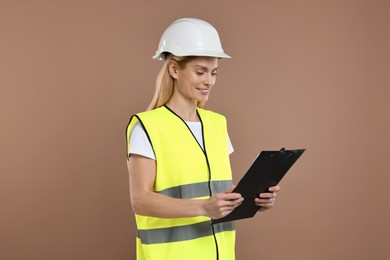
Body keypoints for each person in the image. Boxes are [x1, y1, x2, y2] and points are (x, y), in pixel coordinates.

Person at [126, 18, 281, 260]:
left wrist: (252, 199)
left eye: (213, 72)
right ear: (174, 69)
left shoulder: (217, 124)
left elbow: (216, 194)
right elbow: (140, 200)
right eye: (200, 72)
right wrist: (202, 207)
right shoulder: (148, 127)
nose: (209, 81)